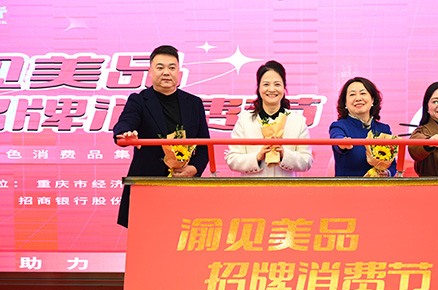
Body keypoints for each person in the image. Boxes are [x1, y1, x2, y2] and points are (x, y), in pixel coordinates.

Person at [113, 45, 210, 228]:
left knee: (182, 238)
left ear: (179, 72)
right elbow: (125, 123)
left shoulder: (194, 103)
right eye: (160, 67)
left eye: (172, 67)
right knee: (147, 239)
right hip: (147, 184)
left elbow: (204, 144)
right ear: (150, 72)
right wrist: (126, 133)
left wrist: (194, 169)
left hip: (183, 185)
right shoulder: (139, 100)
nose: (166, 72)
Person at [225, 60, 313, 176]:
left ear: (284, 87)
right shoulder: (245, 120)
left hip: (285, 186)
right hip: (254, 186)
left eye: (277, 84)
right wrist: (257, 157)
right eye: (266, 84)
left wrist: (284, 154)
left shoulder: (297, 121)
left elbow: (307, 161)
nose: (271, 89)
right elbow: (232, 159)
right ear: (259, 88)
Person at [329, 77, 397, 177]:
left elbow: (392, 164)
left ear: (372, 99)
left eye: (363, 93)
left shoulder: (384, 129)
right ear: (345, 103)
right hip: (348, 185)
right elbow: (337, 139)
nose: (358, 98)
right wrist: (342, 143)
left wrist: (387, 173)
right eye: (352, 94)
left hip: (377, 186)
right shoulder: (339, 126)